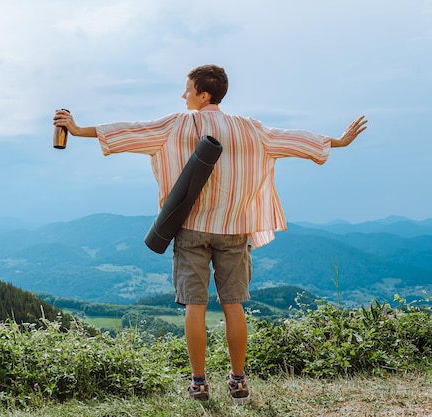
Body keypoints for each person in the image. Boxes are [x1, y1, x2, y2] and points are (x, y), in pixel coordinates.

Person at [52, 64, 367, 404]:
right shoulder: (249, 128)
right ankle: (238, 382)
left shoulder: (176, 125)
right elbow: (292, 138)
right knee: (234, 305)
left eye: (187, 89)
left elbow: (130, 131)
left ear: (203, 94)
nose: (183, 95)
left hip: (191, 229)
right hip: (233, 229)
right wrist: (340, 142)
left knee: (195, 306)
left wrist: (78, 129)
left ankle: (199, 383)